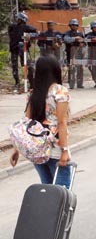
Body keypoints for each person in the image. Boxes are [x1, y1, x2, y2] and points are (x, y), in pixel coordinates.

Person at [10, 55, 71, 189]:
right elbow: (61, 122)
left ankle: (46, 210)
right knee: (62, 192)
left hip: (36, 148)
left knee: (47, 188)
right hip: (54, 147)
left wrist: (17, 149)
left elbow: (26, 124)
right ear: (56, 70)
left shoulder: (33, 93)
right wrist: (65, 151)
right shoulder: (60, 91)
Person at [8, 12, 37, 91]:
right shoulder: (12, 26)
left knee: (27, 65)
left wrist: (29, 35)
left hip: (23, 50)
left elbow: (36, 33)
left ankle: (31, 83)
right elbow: (10, 33)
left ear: (22, 20)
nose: (17, 20)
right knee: (14, 67)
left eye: (18, 19)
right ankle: (17, 82)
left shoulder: (27, 27)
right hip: (14, 49)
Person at [63, 19, 85, 89]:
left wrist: (82, 43)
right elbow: (66, 39)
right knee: (71, 68)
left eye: (75, 25)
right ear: (70, 26)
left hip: (79, 52)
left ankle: (80, 84)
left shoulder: (80, 33)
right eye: (72, 25)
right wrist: (75, 38)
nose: (74, 27)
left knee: (80, 68)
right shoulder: (67, 33)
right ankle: (71, 84)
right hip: (70, 52)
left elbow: (84, 42)